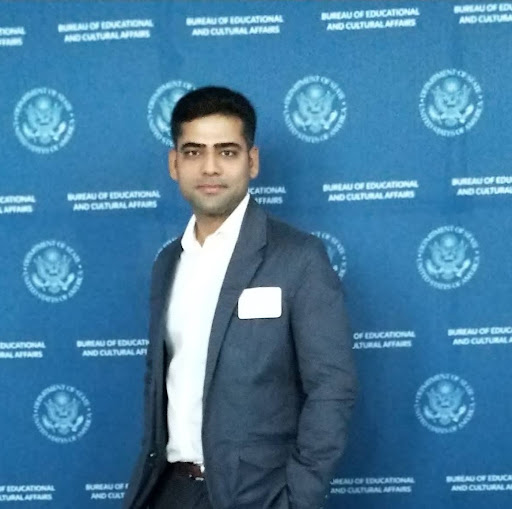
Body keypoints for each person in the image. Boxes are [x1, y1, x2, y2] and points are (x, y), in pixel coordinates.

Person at [123, 86, 357, 509]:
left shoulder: (299, 258)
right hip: (171, 490)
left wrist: (298, 499)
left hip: (259, 496)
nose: (210, 167)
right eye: (194, 152)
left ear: (252, 161)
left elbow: (331, 388)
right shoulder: (167, 262)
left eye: (227, 152)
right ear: (174, 164)